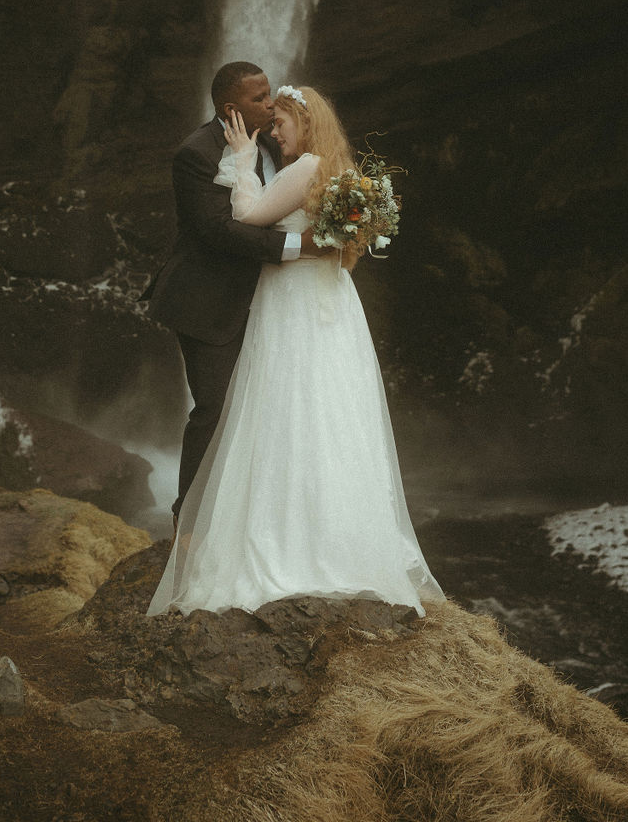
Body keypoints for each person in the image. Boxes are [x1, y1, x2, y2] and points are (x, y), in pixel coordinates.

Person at [147, 83, 444, 617]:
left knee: (283, 409)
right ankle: (334, 533)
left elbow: (245, 218)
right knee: (326, 410)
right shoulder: (338, 171)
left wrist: (240, 160)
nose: (272, 129)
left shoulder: (301, 168)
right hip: (328, 301)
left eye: (280, 118)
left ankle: (278, 535)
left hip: (291, 302)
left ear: (305, 124)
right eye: (268, 115)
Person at [146, 61, 317, 529]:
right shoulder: (195, 153)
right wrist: (300, 247)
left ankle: (248, 517)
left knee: (266, 407)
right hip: (206, 302)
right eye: (259, 98)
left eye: (268, 95)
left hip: (267, 302)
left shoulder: (274, 140)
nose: (270, 103)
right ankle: (188, 520)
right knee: (215, 409)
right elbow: (218, 231)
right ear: (229, 107)